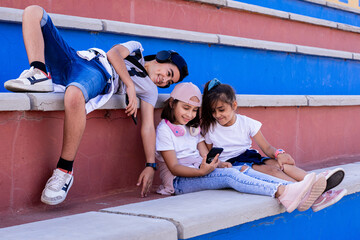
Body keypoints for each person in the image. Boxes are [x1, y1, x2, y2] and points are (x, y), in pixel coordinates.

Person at [4, 5, 189, 205]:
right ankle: (39, 71)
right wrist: (129, 86)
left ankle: (64, 170)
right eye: (168, 73)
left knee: (74, 95)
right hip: (80, 58)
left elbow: (147, 127)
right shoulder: (136, 47)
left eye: (170, 83)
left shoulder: (150, 90)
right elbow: (113, 54)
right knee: (34, 11)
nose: (164, 81)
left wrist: (150, 164)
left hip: (99, 74)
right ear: (161, 58)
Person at [155, 82, 323, 213]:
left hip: (200, 172)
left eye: (194, 110)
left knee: (239, 170)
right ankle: (284, 191)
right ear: (172, 103)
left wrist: (219, 164)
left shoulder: (192, 128)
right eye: (186, 108)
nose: (190, 114)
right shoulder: (164, 130)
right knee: (232, 175)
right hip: (180, 182)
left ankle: (298, 191)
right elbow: (175, 168)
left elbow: (205, 156)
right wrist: (202, 172)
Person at [200, 78, 347, 212]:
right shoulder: (210, 129)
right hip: (233, 164)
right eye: (213, 111)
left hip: (250, 156)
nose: (217, 115)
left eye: (221, 110)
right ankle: (313, 194)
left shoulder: (247, 122)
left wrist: (279, 154)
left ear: (234, 105)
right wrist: (220, 164)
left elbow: (267, 148)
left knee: (282, 165)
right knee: (273, 171)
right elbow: (209, 156)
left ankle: (317, 183)